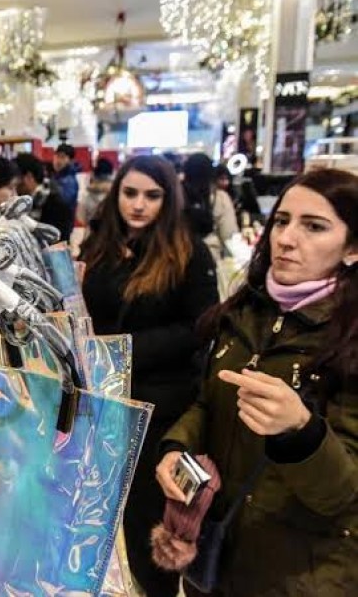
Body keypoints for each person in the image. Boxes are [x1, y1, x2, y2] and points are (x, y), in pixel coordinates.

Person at [157, 169, 358, 596]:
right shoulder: (245, 310)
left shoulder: (348, 336)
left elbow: (345, 495)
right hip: (219, 556)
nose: (286, 238)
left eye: (314, 226)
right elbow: (208, 403)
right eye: (282, 221)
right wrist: (176, 449)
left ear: (352, 248)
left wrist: (301, 432)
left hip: (302, 573)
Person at [80, 155, 219, 597]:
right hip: (104, 400)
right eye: (130, 193)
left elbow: (201, 325)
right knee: (99, 517)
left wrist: (125, 349)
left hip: (161, 405)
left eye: (152, 196)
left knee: (147, 520)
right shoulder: (100, 244)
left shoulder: (187, 251)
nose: (139, 205)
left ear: (168, 198)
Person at [182, 153, 238, 262]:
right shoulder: (220, 198)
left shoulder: (175, 196)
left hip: (176, 257)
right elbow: (229, 235)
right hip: (209, 257)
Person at [14, 152, 73, 241]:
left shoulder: (57, 206)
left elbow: (60, 243)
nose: (14, 186)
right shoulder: (21, 203)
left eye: (15, 180)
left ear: (28, 177)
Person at [79, 157, 115, 230]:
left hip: (92, 234)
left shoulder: (87, 194)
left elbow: (81, 217)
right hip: (113, 234)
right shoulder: (117, 193)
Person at [53, 143, 81, 214]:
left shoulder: (69, 181)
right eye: (57, 156)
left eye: (62, 157)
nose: (58, 161)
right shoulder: (57, 176)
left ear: (70, 160)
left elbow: (63, 204)